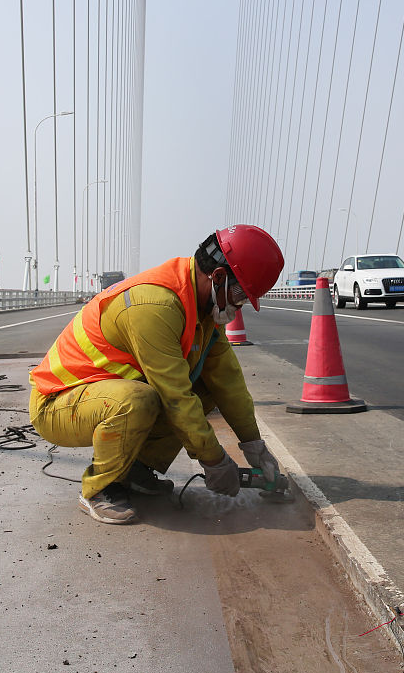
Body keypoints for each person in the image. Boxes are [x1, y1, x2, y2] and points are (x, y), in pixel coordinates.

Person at [28, 224, 286, 524]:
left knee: (204, 390)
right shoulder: (155, 305)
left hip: (100, 394)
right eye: (240, 295)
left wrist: (255, 446)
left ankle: (136, 471)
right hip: (58, 401)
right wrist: (215, 461)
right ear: (218, 277)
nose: (238, 306)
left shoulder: (201, 309)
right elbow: (174, 396)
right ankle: (99, 488)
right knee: (140, 400)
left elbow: (228, 382)